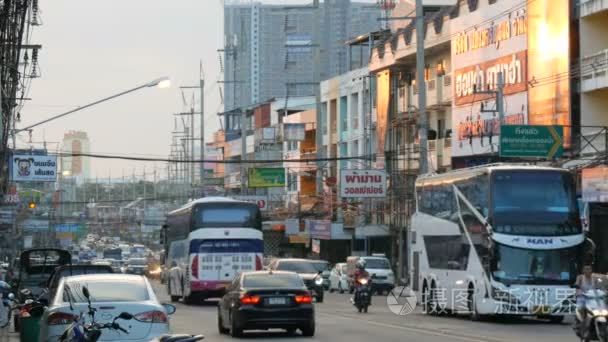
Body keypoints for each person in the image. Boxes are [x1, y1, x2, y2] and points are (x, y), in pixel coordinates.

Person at [575, 263, 600, 336]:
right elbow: (577, 286)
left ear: (591, 270)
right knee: (580, 308)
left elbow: (600, 286)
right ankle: (579, 322)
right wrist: (578, 291)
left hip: (593, 298)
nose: (587, 270)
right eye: (586, 269)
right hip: (582, 297)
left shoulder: (595, 278)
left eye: (589, 269)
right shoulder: (580, 277)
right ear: (583, 270)